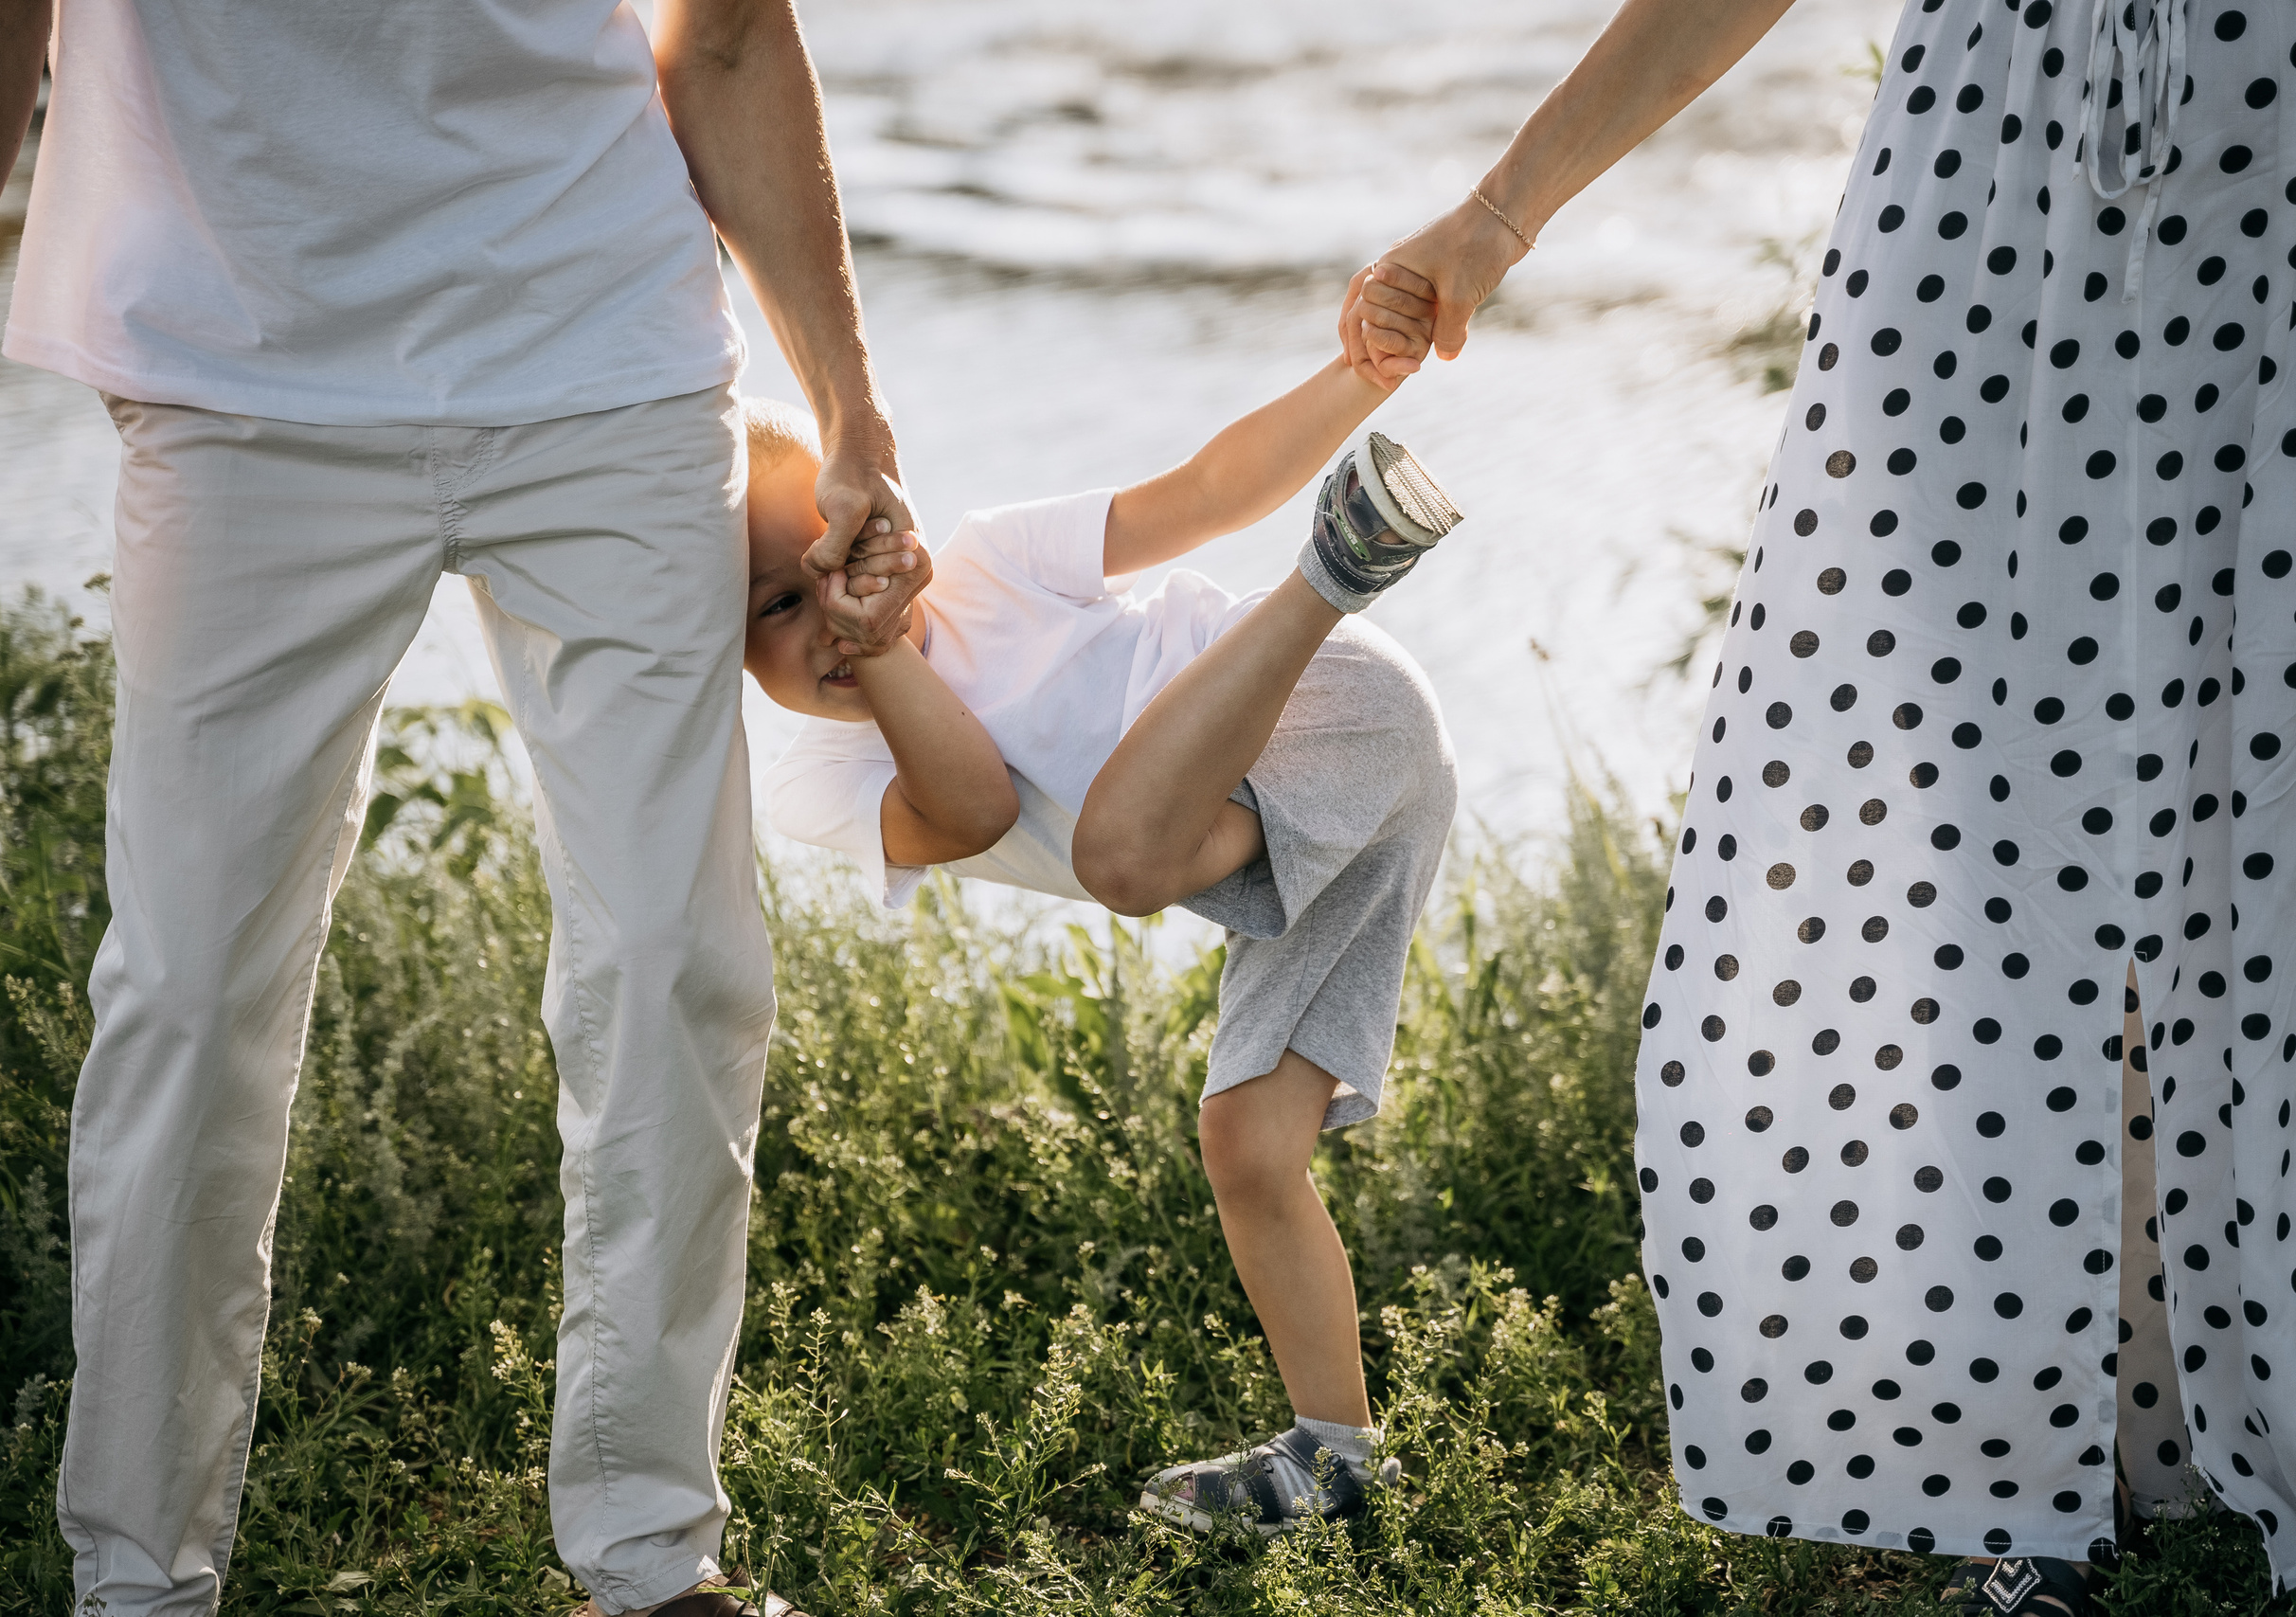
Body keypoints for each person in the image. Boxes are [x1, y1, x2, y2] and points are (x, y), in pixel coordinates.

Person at [0, 1, 927, 1612]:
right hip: (238, 369)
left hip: (606, 348)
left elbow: (718, 35)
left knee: (674, 959)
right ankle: (142, 1582)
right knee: (193, 988)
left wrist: (848, 406)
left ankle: (652, 1561)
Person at [1341, 0, 2296, 1608]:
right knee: (1974, 798)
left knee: (2265, 796)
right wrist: (1504, 210)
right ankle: (2029, 1447)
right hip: (1999, 182)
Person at [742, 358, 1462, 1535]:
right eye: (779, 606)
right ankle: (1342, 1458)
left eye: (845, 566)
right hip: (1294, 841)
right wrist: (887, 655)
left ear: (890, 526)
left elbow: (1211, 490)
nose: (834, 614)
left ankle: (1335, 566)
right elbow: (965, 805)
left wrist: (1360, 372)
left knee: (1120, 859)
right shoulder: (816, 778)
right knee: (1246, 1142)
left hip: (1325, 695)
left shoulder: (992, 559)